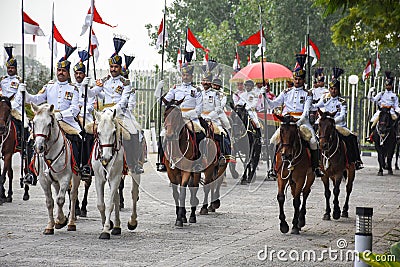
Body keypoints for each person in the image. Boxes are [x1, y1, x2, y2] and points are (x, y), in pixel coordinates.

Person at [86, 37, 143, 174]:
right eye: (111, 67)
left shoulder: (126, 83)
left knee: (135, 133)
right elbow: (92, 93)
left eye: (116, 67)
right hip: (105, 114)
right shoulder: (104, 81)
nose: (113, 69)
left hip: (121, 114)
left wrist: (113, 110)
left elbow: (124, 102)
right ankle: (88, 163)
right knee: (89, 131)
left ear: (119, 68)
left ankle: (134, 162)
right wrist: (85, 86)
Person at [23, 45, 82, 175]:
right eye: (59, 70)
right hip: (48, 120)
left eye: (63, 71)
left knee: (78, 139)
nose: (60, 72)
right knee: (31, 140)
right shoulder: (49, 86)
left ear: (68, 73)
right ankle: (30, 171)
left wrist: (61, 115)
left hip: (66, 121)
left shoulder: (73, 89)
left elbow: (74, 110)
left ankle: (78, 167)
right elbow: (36, 99)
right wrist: (25, 93)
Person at [264, 54, 324, 177]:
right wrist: (264, 95)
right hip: (286, 123)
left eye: (300, 79)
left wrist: (298, 122)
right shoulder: (286, 92)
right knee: (273, 141)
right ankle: (273, 167)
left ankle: (316, 167)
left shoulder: (308, 94)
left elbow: (306, 111)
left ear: (303, 80)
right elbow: (272, 105)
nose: (297, 81)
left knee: (313, 142)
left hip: (302, 122)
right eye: (295, 79)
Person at [313, 67, 363, 170]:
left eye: (335, 89)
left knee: (351, 137)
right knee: (315, 139)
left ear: (338, 90)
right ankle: (316, 163)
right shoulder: (325, 99)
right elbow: (315, 106)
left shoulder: (342, 101)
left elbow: (342, 116)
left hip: (338, 125)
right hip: (326, 124)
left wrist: (332, 121)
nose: (333, 91)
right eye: (331, 89)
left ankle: (355, 161)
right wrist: (309, 101)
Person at [0, 45, 36, 185]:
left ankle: (24, 145)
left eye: (12, 68)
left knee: (25, 124)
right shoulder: (2, 81)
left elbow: (20, 99)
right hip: (4, 109)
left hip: (16, 110)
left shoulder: (19, 82)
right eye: (8, 68)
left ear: (16, 69)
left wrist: (9, 107)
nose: (10, 70)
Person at [162, 59, 205, 171]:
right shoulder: (175, 88)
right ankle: (163, 160)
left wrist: (186, 115)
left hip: (191, 118)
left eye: (188, 75)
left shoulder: (196, 90)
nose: (185, 77)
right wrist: (160, 93)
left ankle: (198, 161)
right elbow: (164, 102)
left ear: (192, 76)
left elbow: (199, 109)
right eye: (184, 75)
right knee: (163, 135)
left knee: (200, 134)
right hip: (176, 118)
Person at [73, 50, 95, 179]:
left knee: (87, 137)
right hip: (71, 117)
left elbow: (91, 106)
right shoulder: (71, 86)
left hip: (85, 118)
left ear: (84, 74)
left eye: (80, 73)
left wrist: (80, 112)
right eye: (76, 73)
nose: (78, 75)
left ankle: (86, 164)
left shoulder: (89, 88)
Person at [366, 70, 400, 142]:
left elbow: (396, 106)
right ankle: (370, 136)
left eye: (389, 85)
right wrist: (370, 93)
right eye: (386, 85)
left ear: (391, 86)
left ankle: (397, 135)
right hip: (381, 111)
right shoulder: (381, 94)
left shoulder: (394, 95)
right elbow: (373, 100)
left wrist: (398, 110)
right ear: (385, 85)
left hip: (390, 111)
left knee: (396, 121)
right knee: (372, 121)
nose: (388, 86)